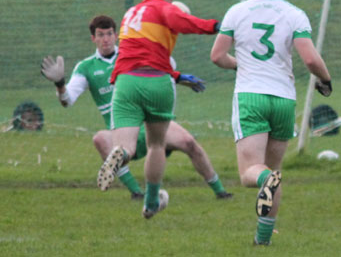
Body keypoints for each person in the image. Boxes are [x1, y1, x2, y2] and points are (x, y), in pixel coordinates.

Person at [41, 14, 231, 201]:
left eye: (109, 34)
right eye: (100, 35)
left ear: (116, 36)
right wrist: (59, 84)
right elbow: (68, 100)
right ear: (93, 38)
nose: (105, 39)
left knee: (188, 142)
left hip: (149, 119)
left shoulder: (130, 53)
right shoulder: (86, 67)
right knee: (100, 139)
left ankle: (220, 191)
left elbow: (160, 69)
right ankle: (136, 192)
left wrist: (179, 78)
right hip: (122, 128)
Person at [210, 0, 332, 246]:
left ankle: (265, 182)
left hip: (251, 96)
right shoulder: (295, 14)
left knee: (251, 173)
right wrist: (325, 81)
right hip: (283, 99)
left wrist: (238, 64)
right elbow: (311, 59)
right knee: (274, 172)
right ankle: (262, 239)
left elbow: (217, 56)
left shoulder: (237, 11)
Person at [96, 0, 223, 220]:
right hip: (156, 82)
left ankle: (120, 154)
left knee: (126, 146)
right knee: (156, 144)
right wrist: (217, 27)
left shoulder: (131, 13)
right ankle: (151, 200)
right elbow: (186, 24)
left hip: (125, 82)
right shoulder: (166, 8)